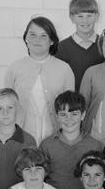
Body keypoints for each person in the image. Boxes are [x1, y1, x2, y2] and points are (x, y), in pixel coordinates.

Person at [5, 16, 75, 144]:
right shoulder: (14, 69)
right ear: (26, 38)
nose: (37, 40)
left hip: (56, 139)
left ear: (52, 41)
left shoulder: (64, 69)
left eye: (44, 35)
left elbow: (71, 107)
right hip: (21, 138)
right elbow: (7, 106)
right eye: (32, 34)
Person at [39, 90, 102, 189]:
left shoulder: (94, 145)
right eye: (63, 114)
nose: (69, 119)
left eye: (74, 114)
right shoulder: (46, 145)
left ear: (83, 115)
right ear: (56, 116)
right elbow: (42, 180)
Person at [55, 0, 103, 93]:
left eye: (89, 16)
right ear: (72, 18)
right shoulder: (61, 48)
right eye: (80, 16)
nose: (85, 21)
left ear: (97, 17)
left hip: (98, 102)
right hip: (73, 105)